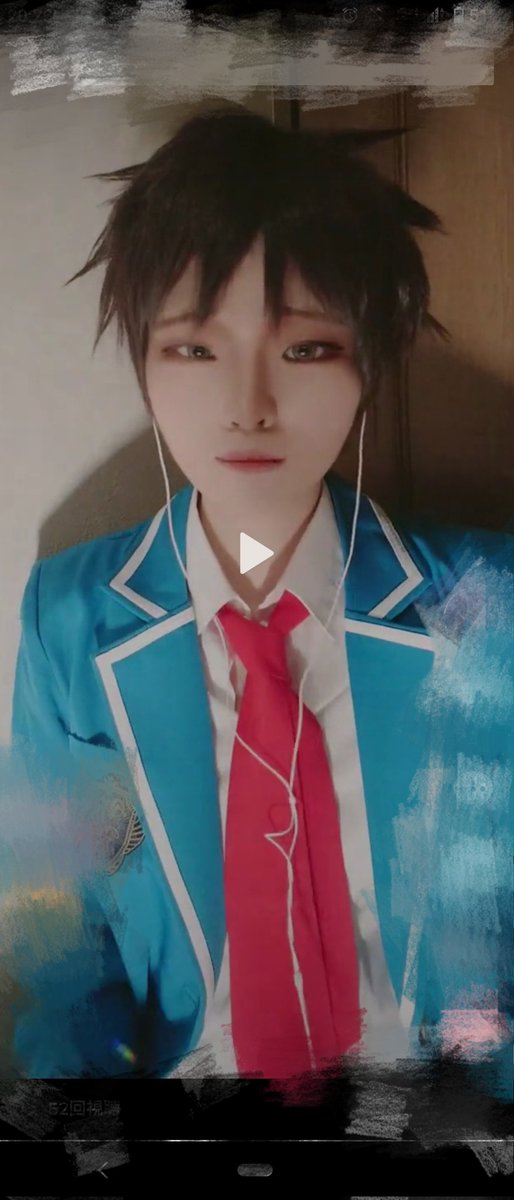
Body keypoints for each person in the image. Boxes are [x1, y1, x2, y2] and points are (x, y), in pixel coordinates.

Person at [5, 106, 512, 1091]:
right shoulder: (67, 623)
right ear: (143, 364)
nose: (248, 405)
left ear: (370, 361)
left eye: (306, 349)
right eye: (195, 350)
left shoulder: (486, 608)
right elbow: (55, 955)